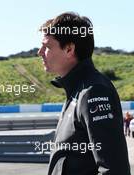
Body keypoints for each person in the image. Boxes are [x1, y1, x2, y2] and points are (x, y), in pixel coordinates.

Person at [37, 12, 130, 175]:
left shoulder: (93, 91)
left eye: (47, 47)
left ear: (69, 49)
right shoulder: (76, 91)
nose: (40, 52)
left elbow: (114, 170)